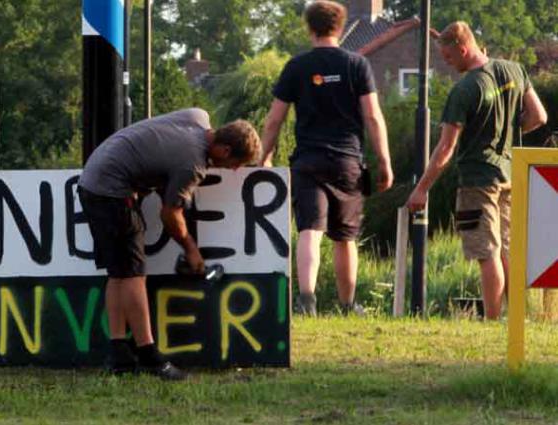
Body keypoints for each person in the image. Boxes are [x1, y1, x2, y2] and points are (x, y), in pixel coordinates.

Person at [78, 108, 261, 380]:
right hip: (112, 191)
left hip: (94, 178)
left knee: (118, 273)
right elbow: (170, 214)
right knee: (133, 276)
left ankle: (119, 355)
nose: (234, 170)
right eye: (236, 162)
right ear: (222, 149)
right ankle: (149, 356)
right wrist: (191, 250)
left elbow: (160, 155)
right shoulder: (193, 164)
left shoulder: (197, 117)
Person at [259, 0, 393, 316]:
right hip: (347, 162)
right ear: (341, 27)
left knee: (310, 230)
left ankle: (307, 300)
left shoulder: (297, 67)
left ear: (310, 28)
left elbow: (274, 119)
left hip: (307, 162)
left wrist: (263, 157)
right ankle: (348, 305)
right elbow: (373, 117)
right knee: (345, 237)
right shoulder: (356, 65)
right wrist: (385, 161)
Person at [406, 21, 548, 320]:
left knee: (487, 252)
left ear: (462, 48)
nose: (448, 64)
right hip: (509, 174)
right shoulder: (515, 70)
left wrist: (421, 189)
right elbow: (538, 116)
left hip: (476, 180)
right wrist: (509, 131)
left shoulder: (465, 89)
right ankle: (517, 319)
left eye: (448, 58)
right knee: (507, 248)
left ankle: (493, 320)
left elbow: (445, 148)